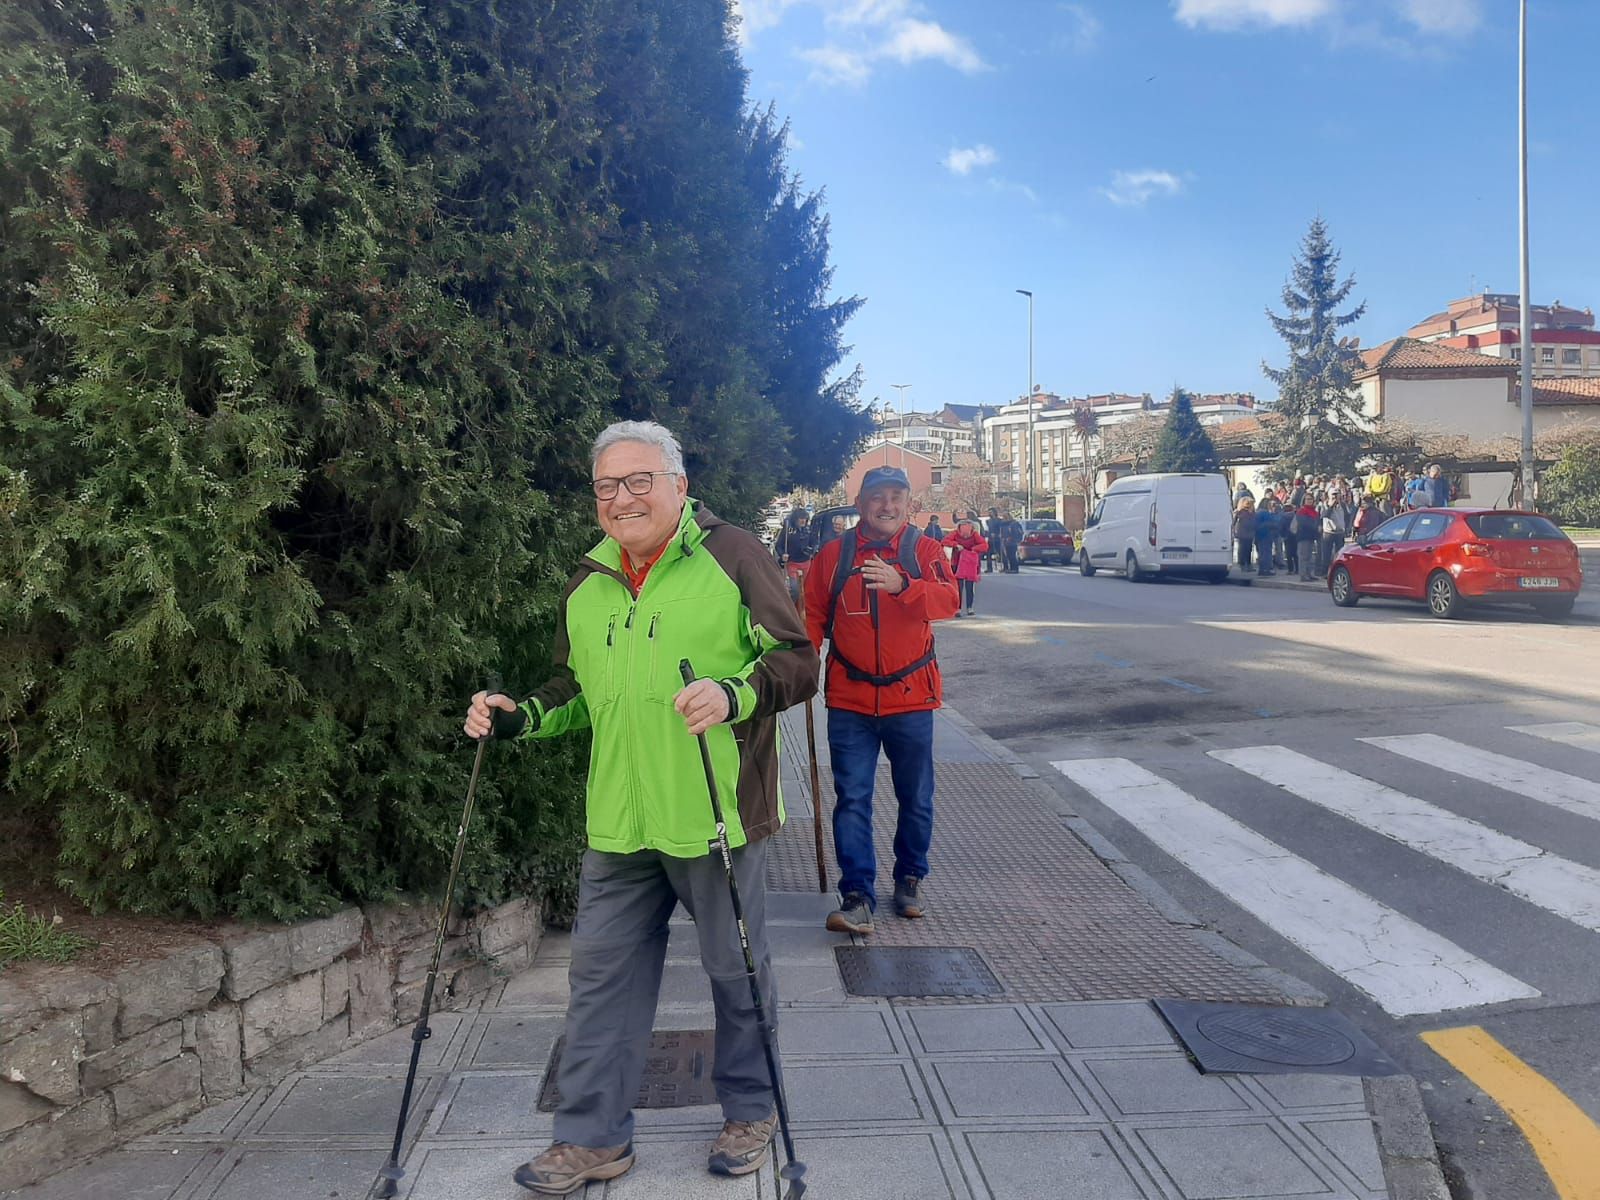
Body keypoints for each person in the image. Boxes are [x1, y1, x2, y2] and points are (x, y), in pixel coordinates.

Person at [463, 421, 819, 1195]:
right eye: (605, 487)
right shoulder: (589, 581)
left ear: (679, 487)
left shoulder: (733, 557)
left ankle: (751, 1111)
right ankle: (592, 1139)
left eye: (638, 482)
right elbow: (575, 691)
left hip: (716, 812)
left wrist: (735, 694)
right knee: (600, 981)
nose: (621, 499)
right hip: (619, 823)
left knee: (738, 971)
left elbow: (797, 659)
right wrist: (517, 713)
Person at [803, 465, 960, 936]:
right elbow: (811, 615)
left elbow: (949, 601)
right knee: (852, 799)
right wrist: (800, 665)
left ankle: (910, 878)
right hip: (850, 700)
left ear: (908, 503)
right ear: (860, 503)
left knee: (915, 797)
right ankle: (857, 896)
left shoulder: (925, 549)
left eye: (896, 496)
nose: (887, 506)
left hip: (911, 699)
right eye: (877, 497)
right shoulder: (833, 556)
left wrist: (902, 586)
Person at [942, 517, 988, 616]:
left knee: (969, 586)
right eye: (963, 534)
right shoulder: (955, 533)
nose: (965, 536)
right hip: (957, 562)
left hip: (970, 563)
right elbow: (945, 541)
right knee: (958, 587)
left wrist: (973, 549)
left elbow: (984, 545)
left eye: (968, 534)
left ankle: (969, 607)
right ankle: (957, 608)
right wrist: (956, 545)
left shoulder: (975, 535)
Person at [772, 506, 814, 586]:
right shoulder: (788, 530)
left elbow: (814, 543)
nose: (803, 520)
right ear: (795, 519)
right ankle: (794, 597)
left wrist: (812, 550)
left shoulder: (809, 530)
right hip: (792, 562)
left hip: (806, 562)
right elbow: (778, 545)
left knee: (807, 587)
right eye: (800, 518)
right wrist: (782, 555)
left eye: (804, 518)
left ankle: (803, 599)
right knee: (794, 588)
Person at [1293, 497, 1320, 580]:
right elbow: (1304, 523)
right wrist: (1315, 526)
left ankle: (1309, 574)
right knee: (1303, 556)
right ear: (1304, 501)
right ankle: (1303, 575)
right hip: (1303, 536)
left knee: (1310, 557)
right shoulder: (1301, 511)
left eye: (1311, 499)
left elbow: (1317, 521)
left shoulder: (1314, 512)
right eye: (1308, 499)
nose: (1310, 501)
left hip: (1311, 537)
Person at [1253, 497, 1277, 576]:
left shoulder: (1257, 512)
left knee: (1261, 553)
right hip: (1266, 535)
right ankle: (1266, 570)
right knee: (1266, 553)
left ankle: (1261, 569)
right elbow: (1271, 523)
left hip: (1258, 536)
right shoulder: (1265, 513)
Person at [1232, 496, 1257, 570]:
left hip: (1249, 533)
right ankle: (1242, 564)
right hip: (1243, 533)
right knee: (1243, 549)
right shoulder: (1240, 512)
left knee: (1248, 549)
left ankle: (1248, 564)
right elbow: (1234, 522)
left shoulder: (1252, 513)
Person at [983, 506, 1001, 573]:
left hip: (997, 539)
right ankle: (989, 568)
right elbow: (988, 530)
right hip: (990, 539)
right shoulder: (988, 521)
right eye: (989, 512)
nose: (989, 513)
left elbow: (1000, 530)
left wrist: (997, 534)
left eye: (991, 512)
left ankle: (1005, 567)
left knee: (1000, 553)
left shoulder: (999, 520)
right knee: (988, 554)